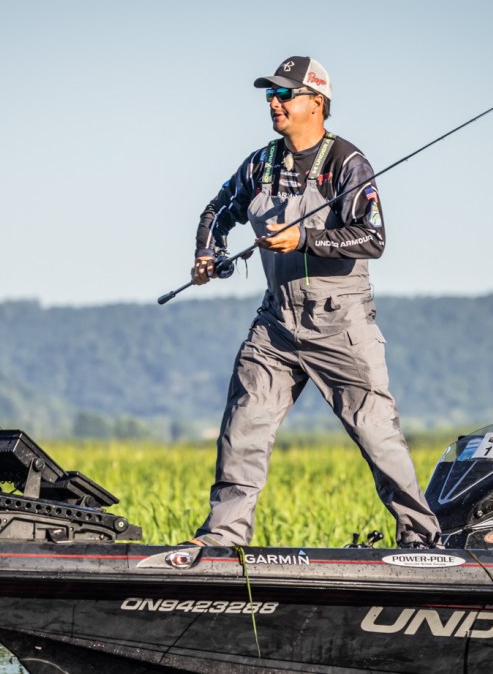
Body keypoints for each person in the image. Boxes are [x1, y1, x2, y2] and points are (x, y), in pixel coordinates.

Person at [186, 56, 441, 550]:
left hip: (342, 323)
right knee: (243, 428)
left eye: (285, 94)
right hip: (275, 324)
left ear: (317, 102)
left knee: (376, 433)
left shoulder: (348, 162)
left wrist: (303, 238)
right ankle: (223, 538)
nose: (274, 103)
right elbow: (217, 210)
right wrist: (207, 254)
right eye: (270, 95)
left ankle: (422, 539)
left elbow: (372, 238)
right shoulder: (260, 164)